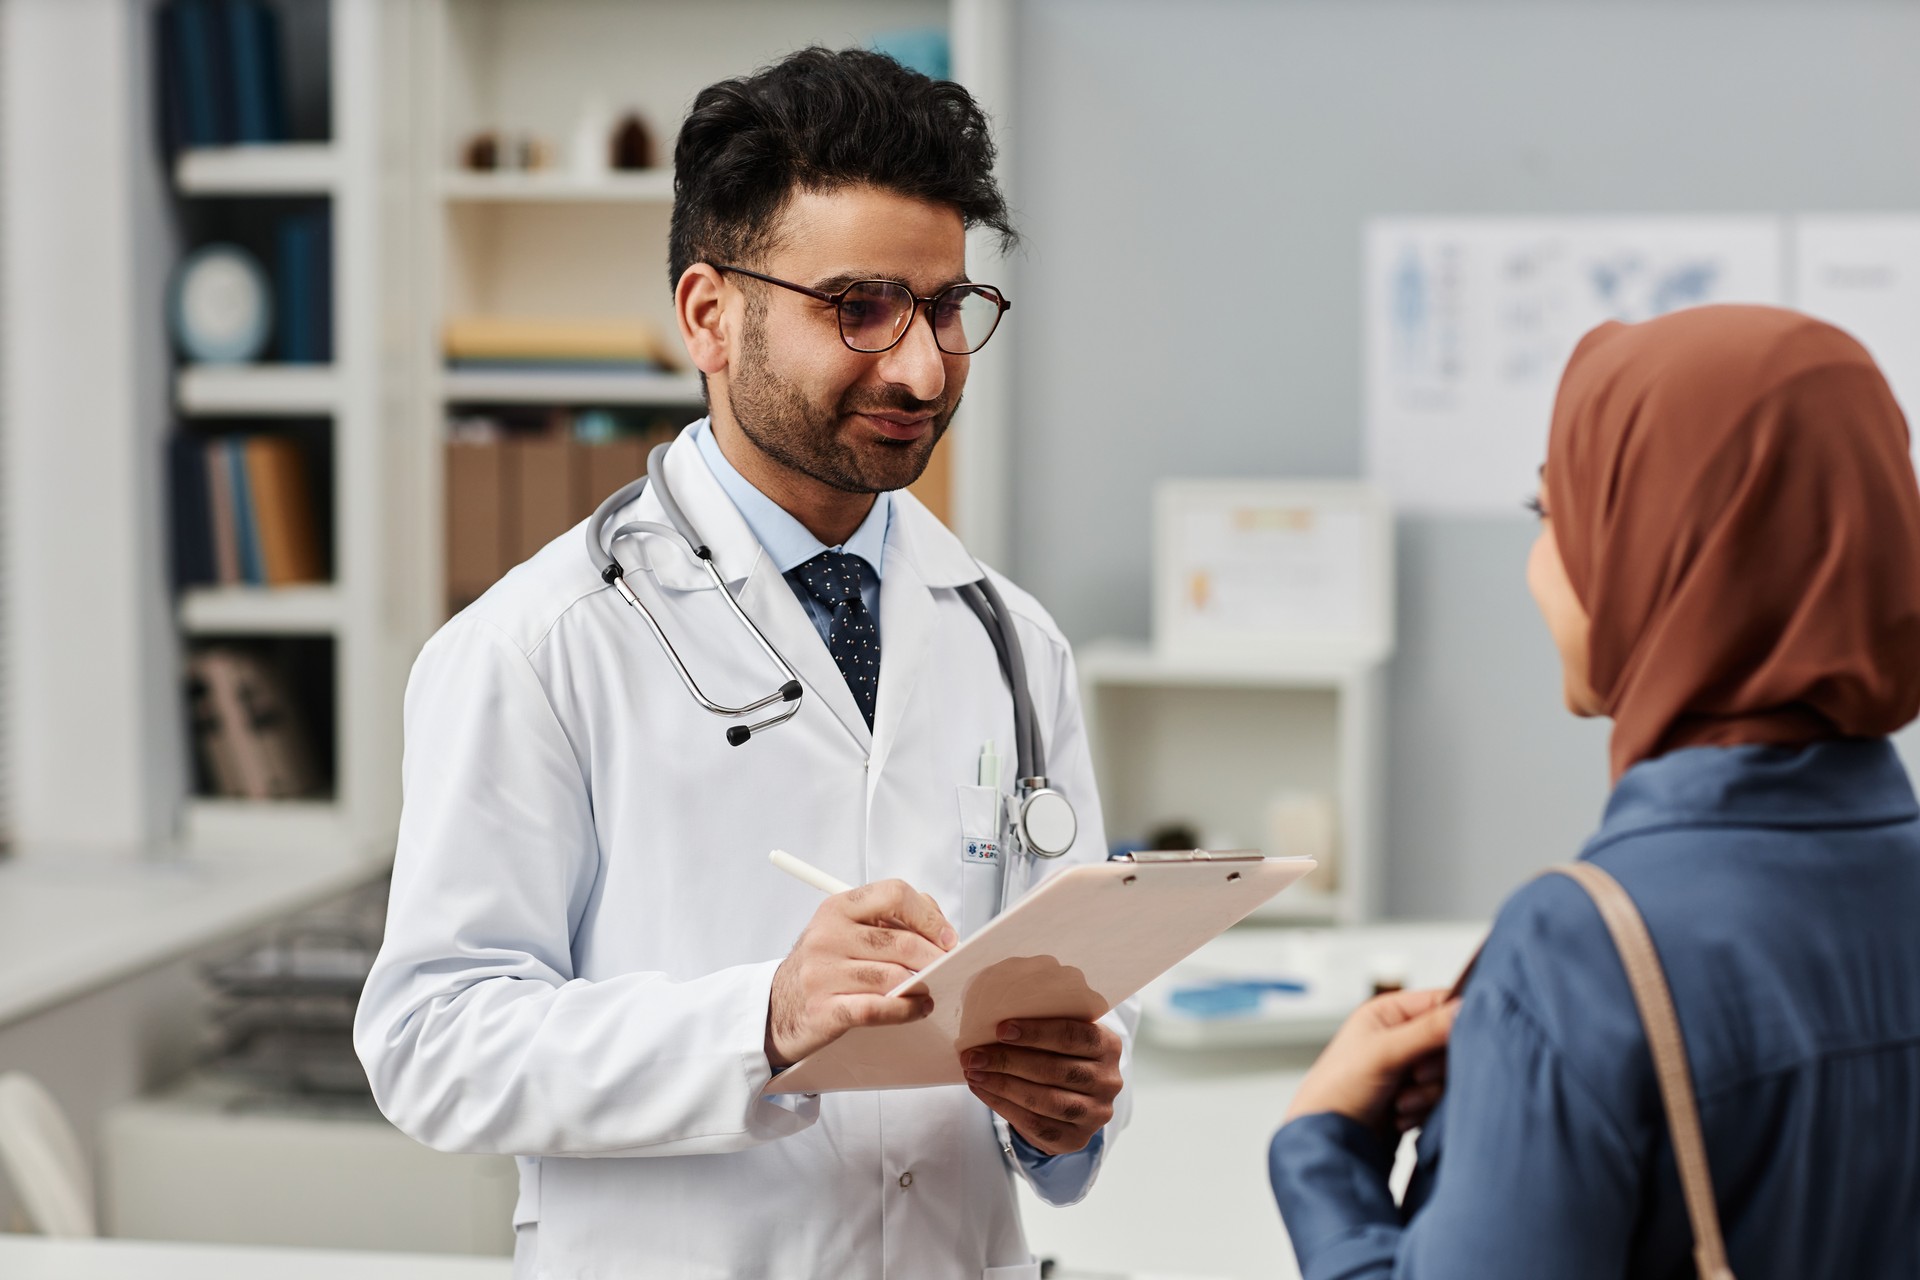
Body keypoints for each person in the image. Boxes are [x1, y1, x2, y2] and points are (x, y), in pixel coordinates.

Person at [354, 48, 1132, 1280]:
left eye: (945, 308)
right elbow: (431, 1042)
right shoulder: (538, 643)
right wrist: (762, 1022)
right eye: (861, 307)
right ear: (710, 315)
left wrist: (1064, 1110)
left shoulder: (1010, 638)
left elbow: (1072, 996)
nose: (923, 368)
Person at [1267, 304, 1920, 1277]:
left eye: (1553, 514)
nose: (1539, 565)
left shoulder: (1581, 951)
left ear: (1654, 549)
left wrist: (1321, 1147)